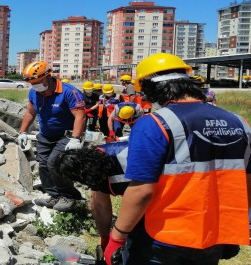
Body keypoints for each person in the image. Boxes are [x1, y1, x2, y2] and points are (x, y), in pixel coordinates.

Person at [104, 53, 251, 265]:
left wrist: (117, 237)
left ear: (149, 87)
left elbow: (141, 191)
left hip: (163, 238)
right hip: (213, 235)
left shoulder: (154, 123)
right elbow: (245, 183)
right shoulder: (240, 123)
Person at [17, 61, 87, 212]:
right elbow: (30, 112)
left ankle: (70, 197)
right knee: (43, 164)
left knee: (54, 163)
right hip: (47, 135)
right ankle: (54, 196)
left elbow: (80, 116)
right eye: (32, 83)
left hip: (67, 136)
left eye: (38, 82)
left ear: (49, 77)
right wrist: (22, 132)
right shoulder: (35, 93)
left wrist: (75, 138)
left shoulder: (69, 92)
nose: (35, 86)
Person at [55, 141, 130, 253]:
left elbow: (140, 196)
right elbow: (100, 206)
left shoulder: (124, 156)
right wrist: (105, 239)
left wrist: (118, 237)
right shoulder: (93, 171)